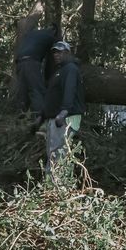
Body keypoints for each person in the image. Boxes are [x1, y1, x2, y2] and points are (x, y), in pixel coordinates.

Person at [43, 40, 84, 168]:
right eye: (55, 52)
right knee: (53, 153)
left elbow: (70, 89)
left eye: (60, 52)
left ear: (68, 53)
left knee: (58, 154)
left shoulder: (70, 69)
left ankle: (58, 186)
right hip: (56, 118)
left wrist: (64, 111)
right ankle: (52, 185)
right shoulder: (59, 71)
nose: (56, 55)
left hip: (65, 118)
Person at [15, 9, 59, 118]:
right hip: (31, 62)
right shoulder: (50, 37)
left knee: (23, 90)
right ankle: (39, 116)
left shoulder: (34, 33)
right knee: (37, 89)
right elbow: (51, 61)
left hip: (20, 62)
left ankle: (21, 115)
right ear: (54, 31)